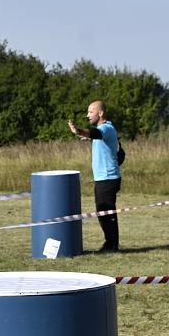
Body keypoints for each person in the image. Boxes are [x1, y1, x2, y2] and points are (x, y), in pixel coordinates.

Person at [68, 100, 122, 251]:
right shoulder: (104, 129)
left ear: (101, 113)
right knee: (103, 212)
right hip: (103, 178)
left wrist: (78, 131)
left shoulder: (105, 128)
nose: (87, 115)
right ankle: (111, 243)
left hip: (108, 178)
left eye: (91, 112)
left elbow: (96, 133)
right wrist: (87, 136)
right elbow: (96, 135)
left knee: (106, 211)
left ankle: (111, 245)